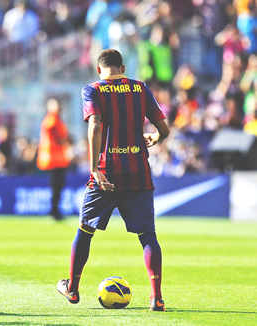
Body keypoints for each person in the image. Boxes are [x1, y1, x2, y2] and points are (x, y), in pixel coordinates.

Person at [57, 49, 170, 312]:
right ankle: (157, 298)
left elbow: (95, 124)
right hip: (138, 172)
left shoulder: (93, 89)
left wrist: (95, 166)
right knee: (148, 235)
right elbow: (163, 129)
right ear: (123, 67)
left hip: (106, 172)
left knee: (85, 230)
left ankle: (72, 290)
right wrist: (154, 138)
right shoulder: (140, 88)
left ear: (99, 69)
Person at [37, 98, 71, 220]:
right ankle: (55, 211)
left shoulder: (54, 120)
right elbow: (58, 136)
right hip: (55, 159)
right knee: (57, 187)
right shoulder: (53, 120)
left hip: (56, 158)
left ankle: (55, 210)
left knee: (57, 187)